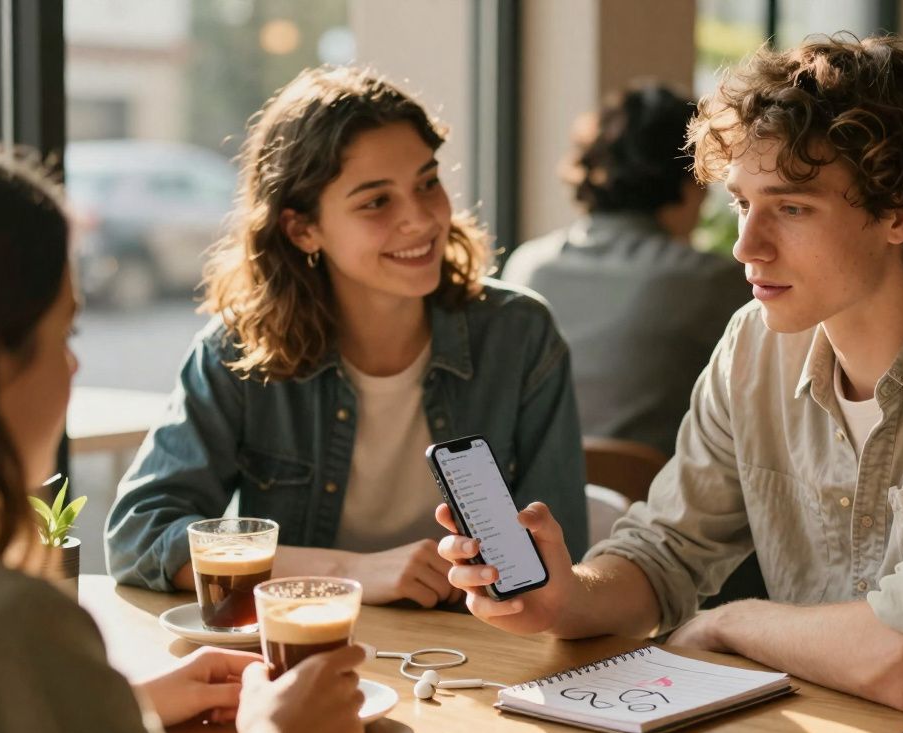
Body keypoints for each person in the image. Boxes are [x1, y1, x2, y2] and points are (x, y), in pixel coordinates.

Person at [437, 35, 903, 733]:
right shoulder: (754, 342)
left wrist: (732, 624)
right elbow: (665, 554)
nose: (745, 245)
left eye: (792, 208)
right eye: (741, 204)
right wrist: (563, 595)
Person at [0, 146, 365, 733]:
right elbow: (141, 531)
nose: (74, 365)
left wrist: (111, 704)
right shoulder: (7, 626)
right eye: (66, 331)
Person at [105, 66, 589, 605]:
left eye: (427, 182)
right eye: (376, 202)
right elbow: (139, 538)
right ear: (302, 228)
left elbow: (557, 555)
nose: (421, 219)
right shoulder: (240, 350)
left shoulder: (520, 334)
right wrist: (348, 572)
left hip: (480, 651)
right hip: (307, 648)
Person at [502, 83, 747, 456]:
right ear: (689, 181)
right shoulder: (709, 280)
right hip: (656, 501)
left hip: (530, 497)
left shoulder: (528, 266)